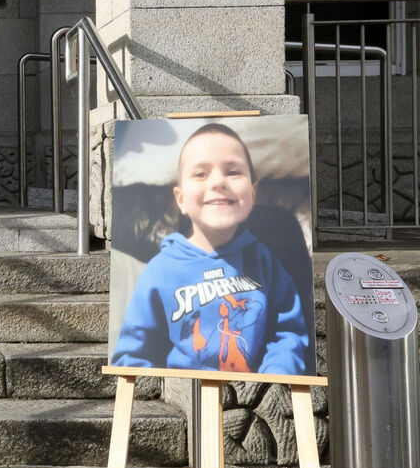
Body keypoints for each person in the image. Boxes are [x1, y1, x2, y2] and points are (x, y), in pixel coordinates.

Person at [110, 122, 310, 375]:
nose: (218, 182)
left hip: (254, 396)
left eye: (233, 172)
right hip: (185, 397)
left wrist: (274, 379)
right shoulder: (160, 271)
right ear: (180, 199)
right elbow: (132, 355)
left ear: (253, 192)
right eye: (200, 174)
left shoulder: (264, 259)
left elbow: (288, 333)